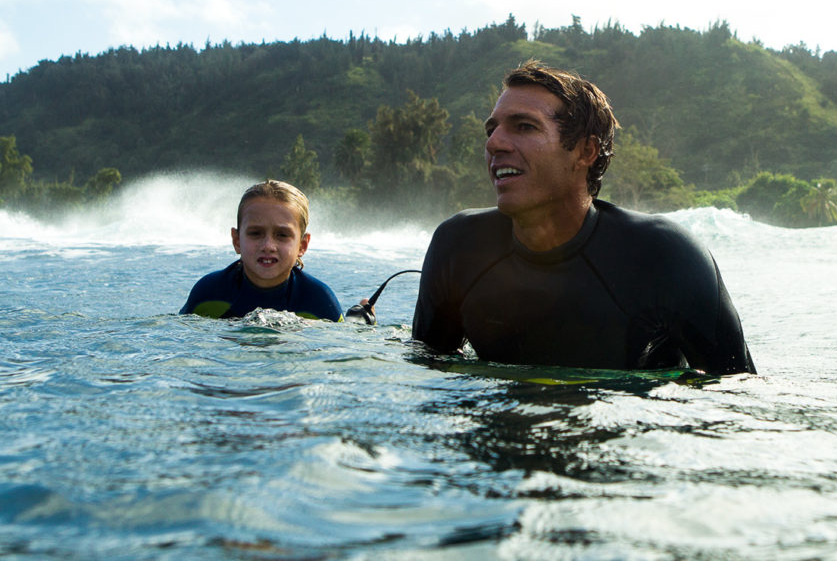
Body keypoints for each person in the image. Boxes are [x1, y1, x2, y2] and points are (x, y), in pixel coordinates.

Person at [412, 60, 756, 375]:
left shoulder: (664, 255)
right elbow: (426, 374)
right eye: (492, 129)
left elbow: (737, 395)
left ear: (585, 151)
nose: (494, 143)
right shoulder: (459, 246)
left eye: (524, 127)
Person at [180, 179, 345, 320]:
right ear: (237, 240)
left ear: (302, 246)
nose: (268, 246)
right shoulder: (209, 293)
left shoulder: (319, 301)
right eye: (255, 233)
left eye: (282, 235)